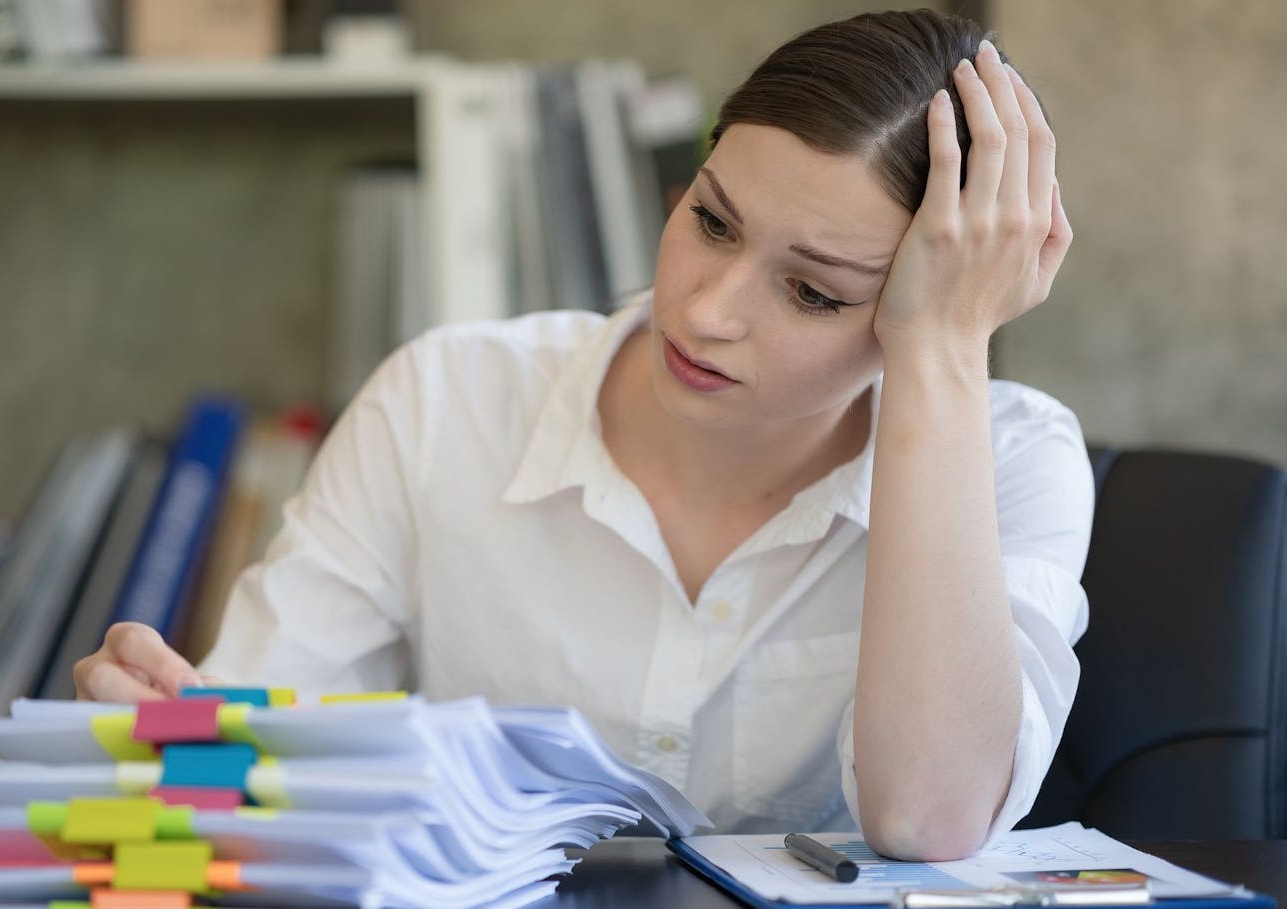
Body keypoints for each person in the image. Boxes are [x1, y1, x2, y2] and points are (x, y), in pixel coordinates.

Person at [74, 9, 1091, 862]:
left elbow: (925, 818)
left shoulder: (1012, 459)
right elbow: (249, 750)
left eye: (813, 292)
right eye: (713, 222)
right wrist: (165, 730)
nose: (704, 312)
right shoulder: (445, 399)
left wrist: (946, 351)